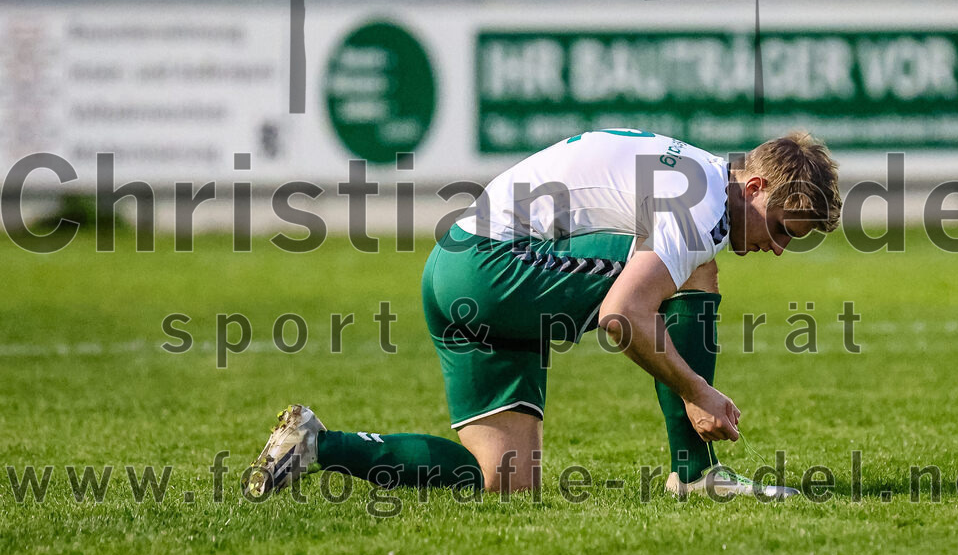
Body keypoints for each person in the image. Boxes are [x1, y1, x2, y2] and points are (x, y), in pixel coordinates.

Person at [244, 129, 842, 501]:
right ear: (756, 184)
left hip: (455, 272)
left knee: (502, 480)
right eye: (785, 228)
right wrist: (696, 391)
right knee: (689, 273)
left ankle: (320, 445)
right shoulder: (705, 205)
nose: (781, 247)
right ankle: (693, 471)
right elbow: (622, 315)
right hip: (493, 267)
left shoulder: (698, 177)